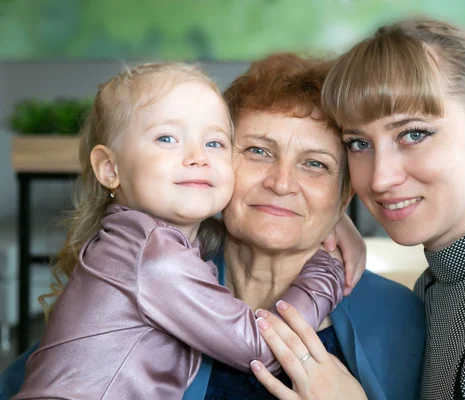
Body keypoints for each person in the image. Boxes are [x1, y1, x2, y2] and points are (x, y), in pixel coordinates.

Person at [0, 54, 425, 399]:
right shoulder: (162, 263)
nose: (281, 183)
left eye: (315, 165)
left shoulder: (396, 317)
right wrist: (326, 260)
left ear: (344, 193)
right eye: (258, 151)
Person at [249, 18, 465, 400]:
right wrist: (324, 220)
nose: (381, 179)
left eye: (414, 134)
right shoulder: (431, 287)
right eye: (359, 143)